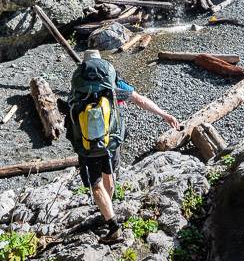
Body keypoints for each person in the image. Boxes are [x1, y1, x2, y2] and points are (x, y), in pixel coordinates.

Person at [66, 49, 180, 244]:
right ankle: (108, 209)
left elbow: (70, 112)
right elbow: (140, 100)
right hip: (111, 141)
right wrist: (164, 114)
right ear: (102, 65)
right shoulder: (113, 83)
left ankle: (112, 225)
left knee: (95, 185)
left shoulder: (78, 85)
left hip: (87, 145)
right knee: (109, 174)